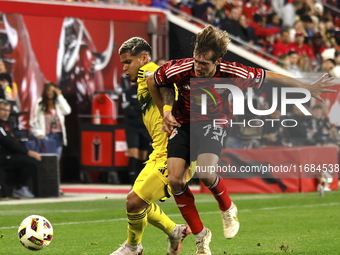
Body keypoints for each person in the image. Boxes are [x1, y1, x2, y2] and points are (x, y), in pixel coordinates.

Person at [147, 24, 336, 255]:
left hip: (214, 122)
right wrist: (165, 111)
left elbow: (270, 76)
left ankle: (227, 208)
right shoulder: (182, 67)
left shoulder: (234, 72)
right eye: (196, 60)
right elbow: (154, 81)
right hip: (183, 123)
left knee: (206, 173)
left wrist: (306, 87)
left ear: (218, 60)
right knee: (175, 180)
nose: (197, 66)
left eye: (204, 64)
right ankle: (201, 237)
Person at [110, 37, 191, 255]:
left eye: (128, 62)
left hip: (175, 152)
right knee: (137, 201)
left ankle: (133, 247)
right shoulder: (144, 79)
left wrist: (167, 109)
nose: (125, 68)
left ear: (144, 58)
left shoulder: (150, 72)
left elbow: (163, 84)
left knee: (134, 202)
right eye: (123, 64)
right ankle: (174, 231)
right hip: (159, 151)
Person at [0, 99, 41, 199]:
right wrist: (27, 152)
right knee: (30, 161)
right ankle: (19, 187)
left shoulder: (7, 124)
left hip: (8, 154)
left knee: (27, 161)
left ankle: (18, 186)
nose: (6, 113)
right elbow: (8, 141)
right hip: (3, 156)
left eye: (8, 110)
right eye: (3, 110)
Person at [30, 82, 71, 161]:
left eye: (53, 91)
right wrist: (39, 133)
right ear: (45, 91)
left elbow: (67, 111)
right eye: (49, 90)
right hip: (46, 137)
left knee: (56, 161)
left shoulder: (58, 103)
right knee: (46, 161)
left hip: (58, 136)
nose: (50, 92)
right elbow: (33, 121)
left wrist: (60, 96)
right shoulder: (39, 103)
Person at [121, 80, 151, 184]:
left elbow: (150, 109)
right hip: (132, 128)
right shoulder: (128, 91)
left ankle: (141, 182)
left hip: (145, 127)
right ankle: (133, 183)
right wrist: (140, 109)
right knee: (133, 154)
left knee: (143, 156)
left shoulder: (149, 92)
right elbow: (128, 110)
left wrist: (136, 108)